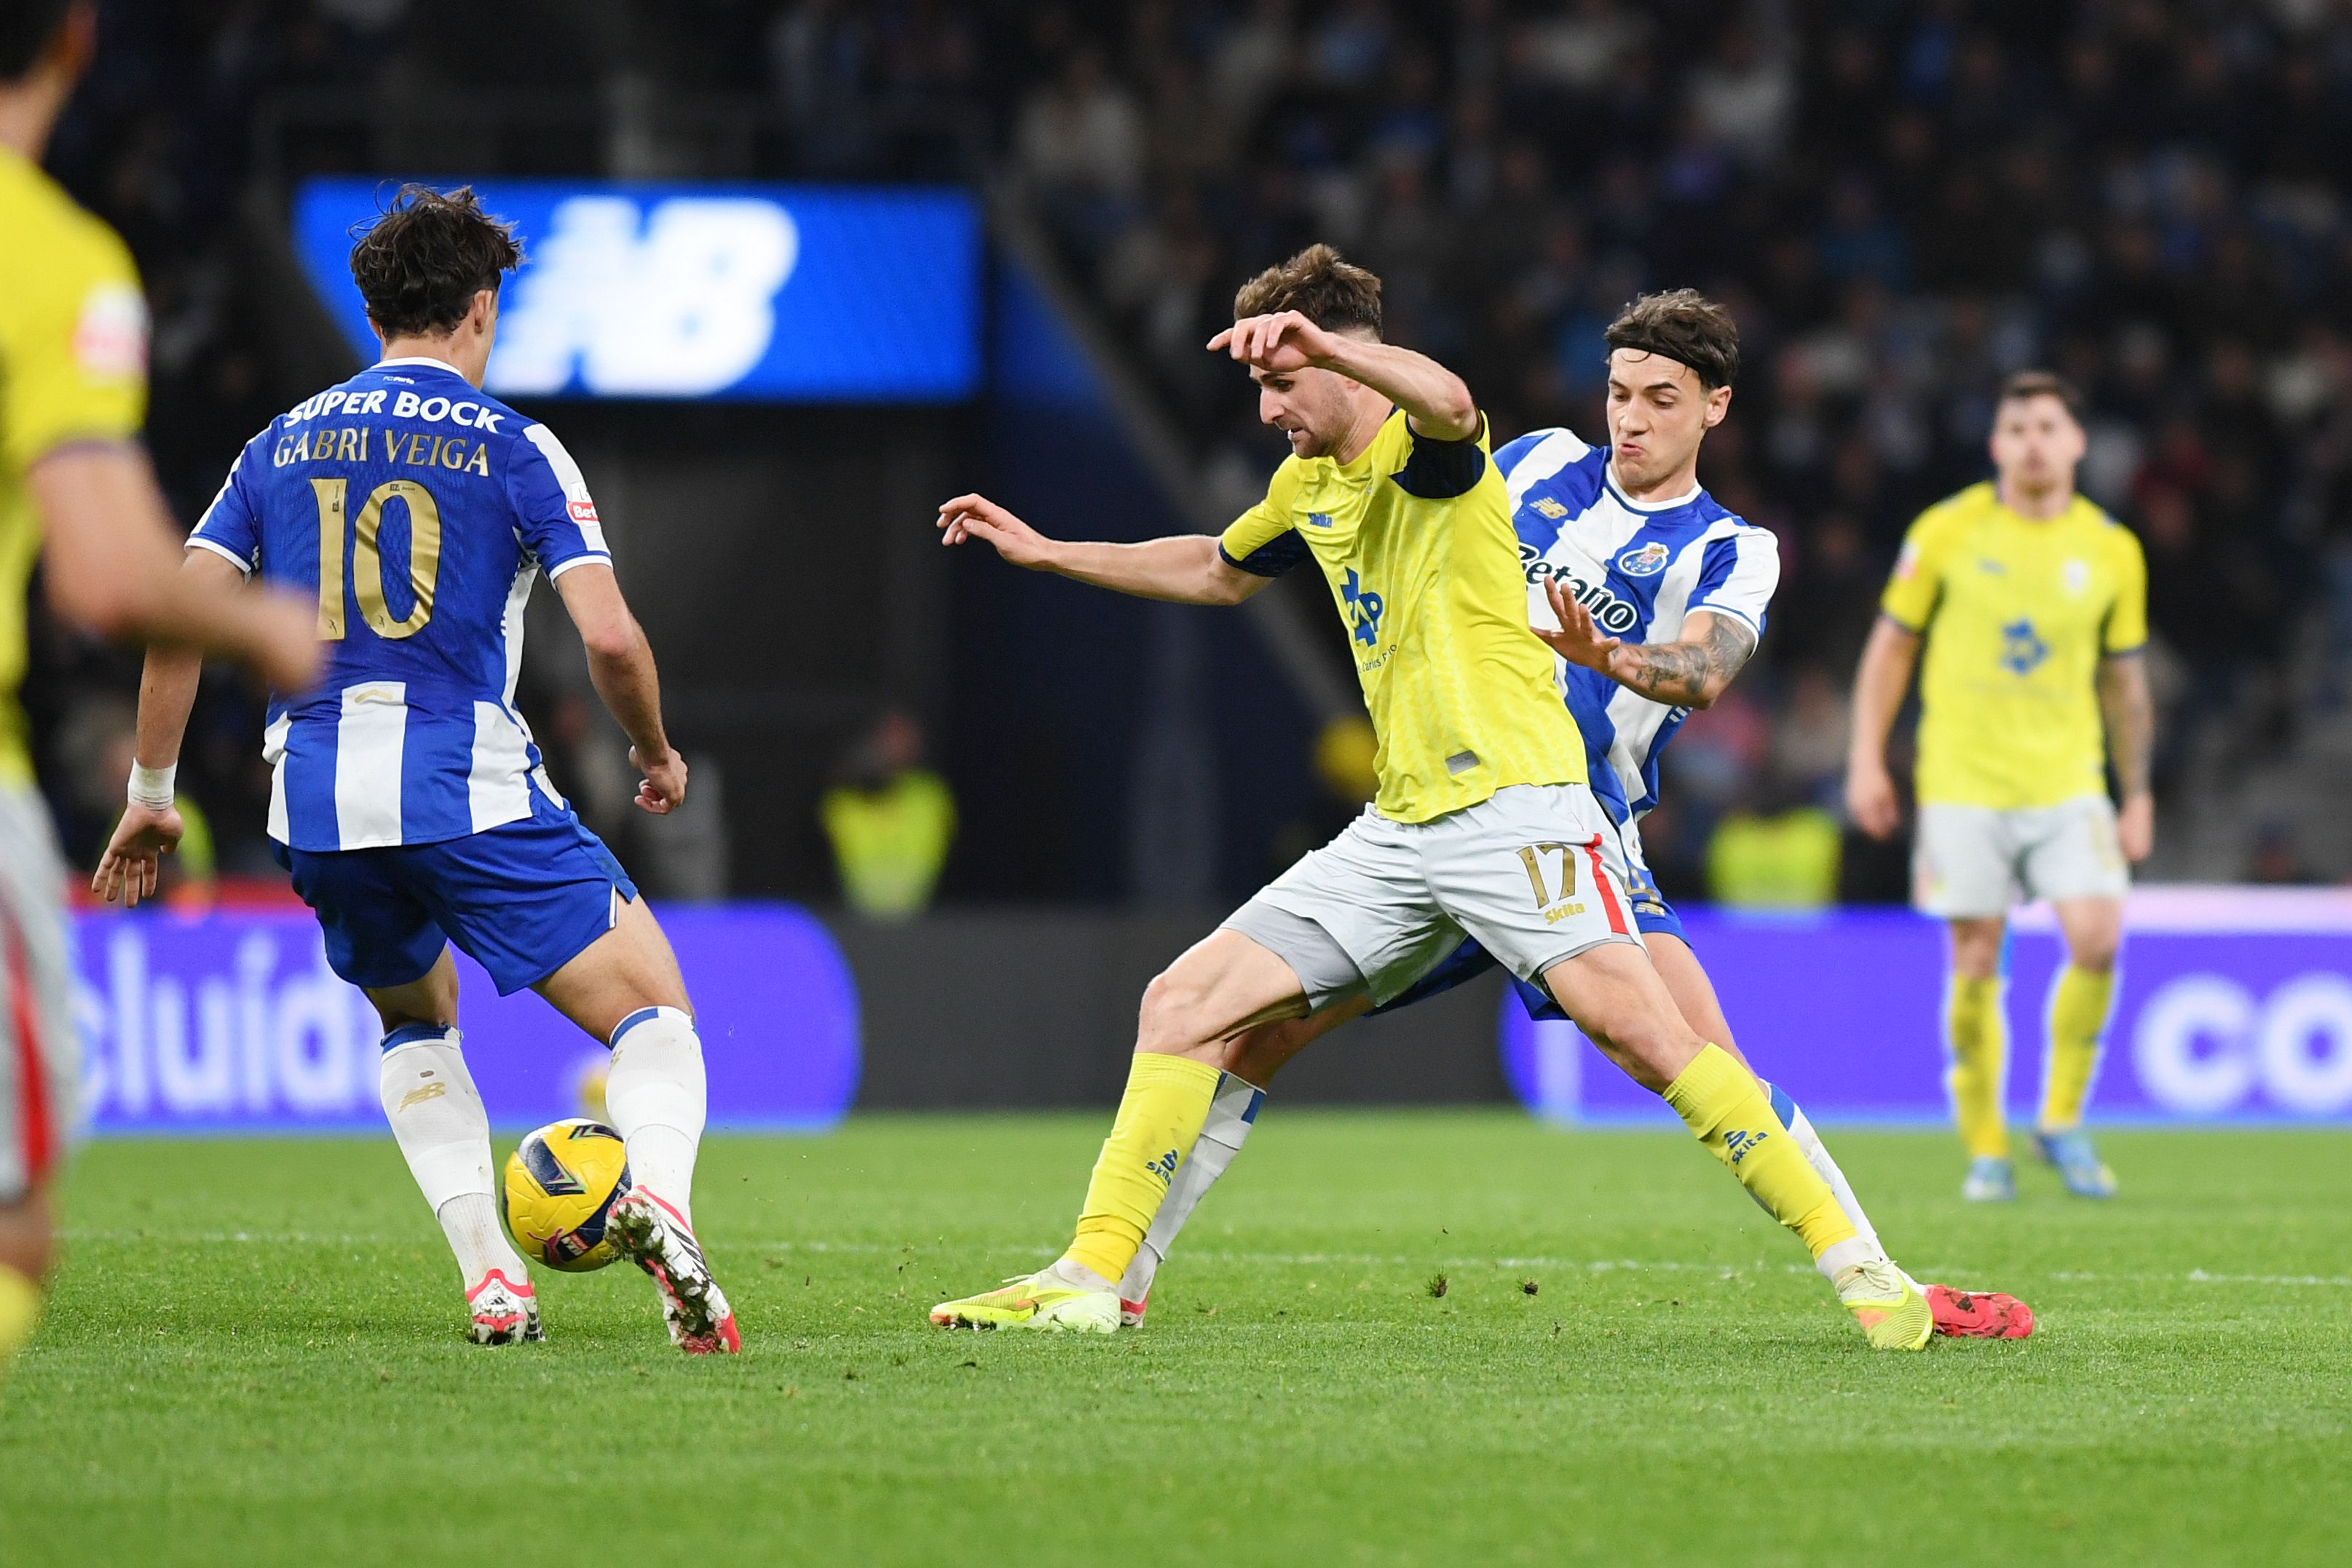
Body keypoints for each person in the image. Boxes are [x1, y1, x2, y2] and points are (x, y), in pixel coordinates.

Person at [928, 248, 1940, 1350]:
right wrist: (1043, 550)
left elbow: (1456, 411)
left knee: (1660, 1040)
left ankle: (1875, 1280)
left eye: (1281, 382)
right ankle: (1093, 1276)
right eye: (1620, 392)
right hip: (1405, 821)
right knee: (1193, 1010)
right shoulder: (1392, 475)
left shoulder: (1526, 482)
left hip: (1541, 812)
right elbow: (1219, 568)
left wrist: (1603, 648)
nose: (1266, 410)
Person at [92, 185, 738, 1353]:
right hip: (463, 779)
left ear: (376, 308)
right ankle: (666, 1210)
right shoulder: (516, 445)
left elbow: (178, 615)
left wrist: (151, 795)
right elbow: (607, 638)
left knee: (413, 1021)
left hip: (319, 797)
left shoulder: (278, 441)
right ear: (480, 311)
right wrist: (651, 748)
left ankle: (491, 1277)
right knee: (654, 1015)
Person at [0, 0, 319, 1392]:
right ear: (73, 43)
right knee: (14, 1224)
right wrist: (267, 623)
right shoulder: (55, 260)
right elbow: (112, 572)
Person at [1846, 371, 2153, 1203]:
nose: (2031, 442)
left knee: (2096, 939)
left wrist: (2136, 793)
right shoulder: (1943, 531)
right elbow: (1890, 651)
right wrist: (1866, 759)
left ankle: (2058, 1119)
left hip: (2066, 780)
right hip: (1962, 783)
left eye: (2047, 427)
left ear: (2076, 442)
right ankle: (1986, 1146)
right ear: (1994, 444)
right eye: (2015, 427)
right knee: (1975, 954)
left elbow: (2124, 685)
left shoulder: (2111, 550)